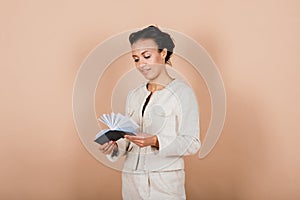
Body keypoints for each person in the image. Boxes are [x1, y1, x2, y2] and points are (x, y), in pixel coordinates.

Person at [99, 25, 201, 200]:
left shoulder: (183, 93)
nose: (141, 64)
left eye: (147, 56)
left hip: (164, 183)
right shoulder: (134, 95)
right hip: (132, 181)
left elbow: (192, 142)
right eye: (136, 59)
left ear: (163, 53)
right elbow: (128, 138)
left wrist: (155, 141)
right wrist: (114, 147)